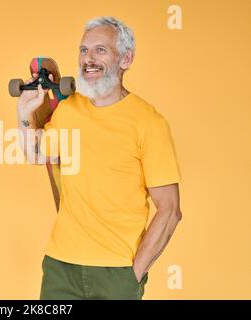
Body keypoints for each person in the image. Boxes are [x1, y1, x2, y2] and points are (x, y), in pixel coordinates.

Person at [15, 16, 182, 300]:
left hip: (116, 272)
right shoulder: (69, 111)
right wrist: (23, 114)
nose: (88, 59)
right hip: (60, 266)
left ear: (126, 59)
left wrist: (134, 275)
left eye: (100, 50)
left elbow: (170, 210)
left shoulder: (149, 123)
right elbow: (35, 154)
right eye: (83, 50)